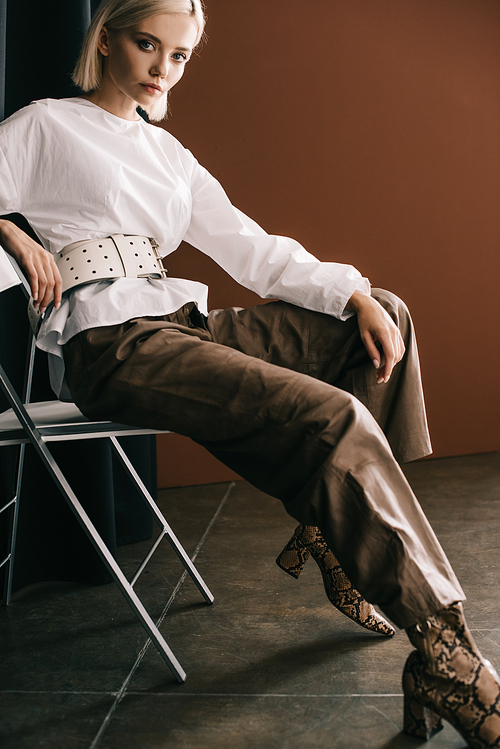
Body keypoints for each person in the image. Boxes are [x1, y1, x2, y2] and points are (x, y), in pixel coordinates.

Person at [0, 0, 498, 745]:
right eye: (146, 45)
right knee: (332, 419)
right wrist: (7, 228)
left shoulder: (167, 156)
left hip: (180, 323)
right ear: (105, 39)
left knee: (385, 312)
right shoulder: (45, 124)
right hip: (112, 344)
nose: (161, 70)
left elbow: (251, 247)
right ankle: (447, 654)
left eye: (179, 57)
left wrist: (353, 294)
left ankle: (339, 531)